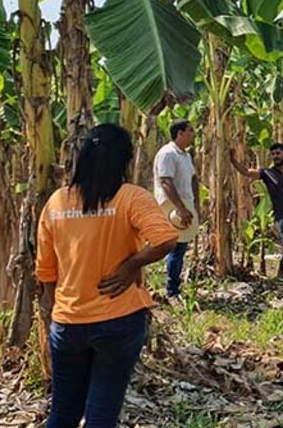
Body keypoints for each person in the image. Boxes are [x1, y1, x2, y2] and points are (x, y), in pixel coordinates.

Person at [36, 124, 178, 428]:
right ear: (124, 161)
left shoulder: (57, 202)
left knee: (62, 413)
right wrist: (130, 266)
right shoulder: (130, 197)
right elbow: (166, 238)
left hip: (68, 323)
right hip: (119, 320)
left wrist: (59, 308)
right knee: (102, 414)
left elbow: (46, 270)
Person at [229, 143, 283, 280]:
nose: (275, 157)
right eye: (273, 154)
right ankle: (282, 269)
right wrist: (233, 159)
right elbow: (246, 172)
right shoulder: (268, 173)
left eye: (278, 153)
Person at [153, 119, 198, 298]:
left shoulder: (185, 155)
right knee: (175, 247)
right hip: (172, 208)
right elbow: (166, 181)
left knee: (180, 247)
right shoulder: (167, 153)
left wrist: (193, 204)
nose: (193, 134)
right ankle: (172, 290)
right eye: (190, 131)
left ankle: (173, 287)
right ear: (180, 133)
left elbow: (194, 177)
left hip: (185, 205)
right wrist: (180, 208)